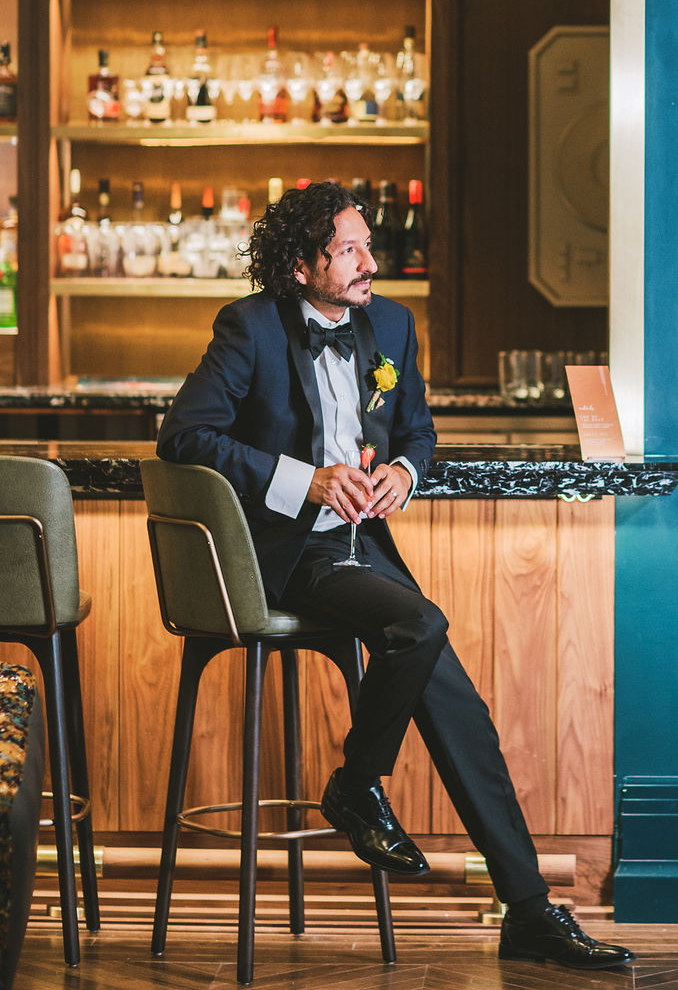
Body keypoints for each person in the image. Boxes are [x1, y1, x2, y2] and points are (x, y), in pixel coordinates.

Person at [156, 180, 633, 970]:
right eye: (349, 250)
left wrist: (405, 473)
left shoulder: (392, 326)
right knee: (421, 623)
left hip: (364, 546)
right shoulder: (250, 327)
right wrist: (303, 480)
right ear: (302, 266)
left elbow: (417, 429)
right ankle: (357, 785)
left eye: (367, 245)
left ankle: (527, 911)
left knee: (460, 707)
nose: (369, 262)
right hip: (287, 554)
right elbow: (184, 436)